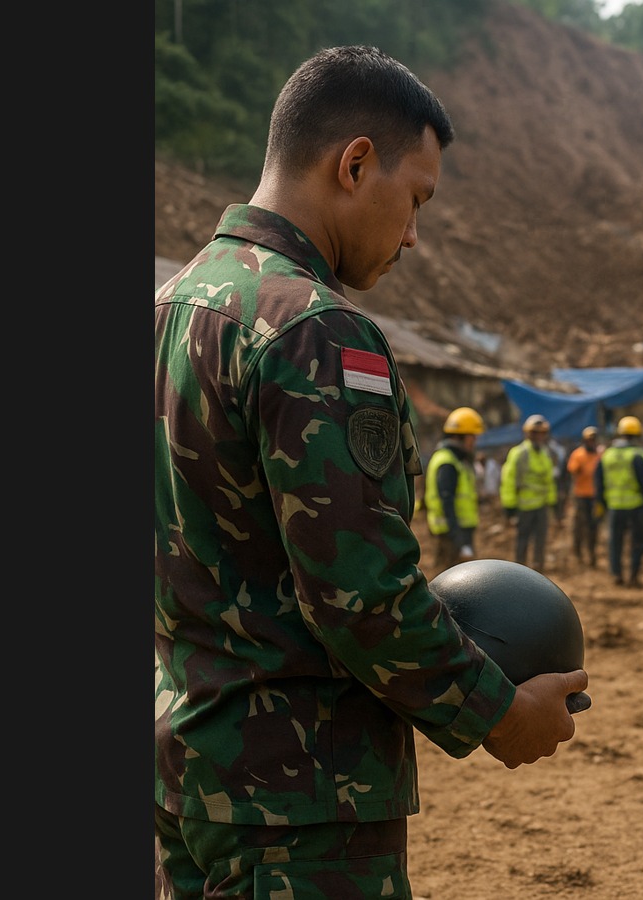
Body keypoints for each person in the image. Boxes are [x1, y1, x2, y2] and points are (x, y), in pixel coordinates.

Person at [154, 46, 585, 899]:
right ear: (354, 164)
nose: (415, 233)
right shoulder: (316, 331)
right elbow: (360, 592)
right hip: (301, 801)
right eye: (416, 197)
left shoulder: (171, 308)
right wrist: (499, 713)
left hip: (184, 769)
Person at [424, 407, 485, 576]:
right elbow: (447, 501)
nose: (475, 441)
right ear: (461, 436)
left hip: (457, 530)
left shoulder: (455, 459)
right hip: (451, 533)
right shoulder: (447, 462)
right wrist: (460, 542)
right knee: (450, 582)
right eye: (473, 436)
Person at [596, 415, 643, 586]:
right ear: (637, 435)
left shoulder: (607, 455)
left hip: (614, 506)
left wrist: (602, 503)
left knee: (615, 542)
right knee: (638, 542)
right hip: (636, 506)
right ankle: (634, 575)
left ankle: (617, 574)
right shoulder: (638, 455)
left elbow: (599, 482)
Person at [501, 414, 562, 573]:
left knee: (540, 541)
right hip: (524, 508)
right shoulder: (519, 453)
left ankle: (538, 572)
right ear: (528, 433)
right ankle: (520, 572)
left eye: (541, 433)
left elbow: (548, 482)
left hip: (541, 507)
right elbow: (509, 481)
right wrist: (510, 508)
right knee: (522, 541)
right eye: (535, 433)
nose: (538, 436)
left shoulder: (545, 454)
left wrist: (554, 505)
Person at [565, 425, 604, 568]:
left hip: (595, 497)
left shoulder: (600, 455)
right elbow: (572, 471)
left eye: (593, 439)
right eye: (589, 440)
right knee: (579, 526)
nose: (591, 442)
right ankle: (578, 553)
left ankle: (592, 554)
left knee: (593, 526)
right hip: (580, 496)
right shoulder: (578, 455)